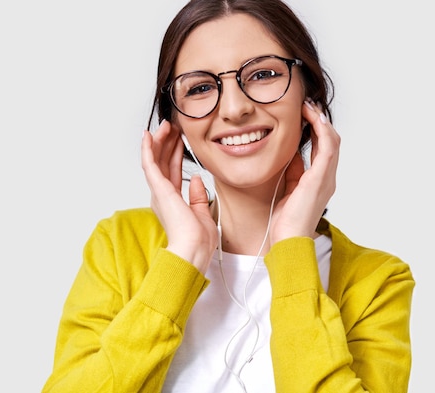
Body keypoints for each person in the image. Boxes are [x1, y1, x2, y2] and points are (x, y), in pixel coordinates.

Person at [42, 0, 415, 392]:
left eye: (263, 74)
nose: (235, 108)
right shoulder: (120, 246)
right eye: (201, 88)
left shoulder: (375, 282)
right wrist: (183, 257)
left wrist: (291, 249)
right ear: (176, 119)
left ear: (310, 94)